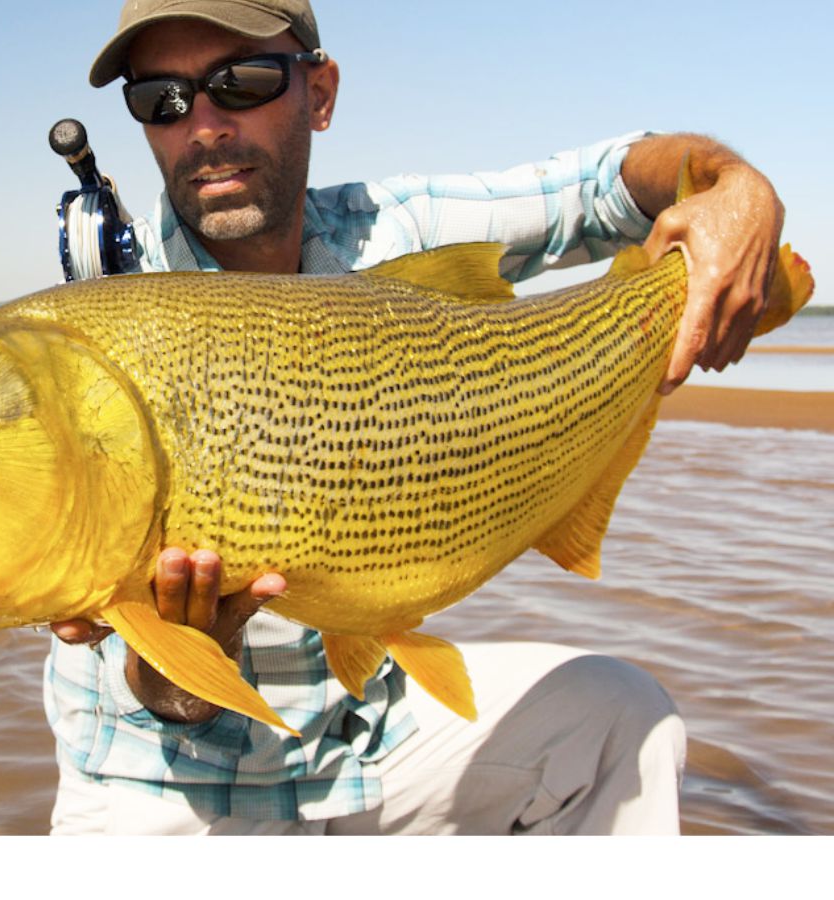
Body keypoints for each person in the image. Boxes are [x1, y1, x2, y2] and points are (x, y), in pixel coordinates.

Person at [43, 0, 784, 835]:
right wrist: (178, 659)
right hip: (164, 789)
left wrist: (736, 192)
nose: (203, 126)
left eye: (240, 82)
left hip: (370, 744)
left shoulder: (392, 230)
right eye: (161, 101)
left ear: (319, 93)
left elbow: (609, 181)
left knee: (619, 718)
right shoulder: (109, 329)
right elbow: (154, 699)